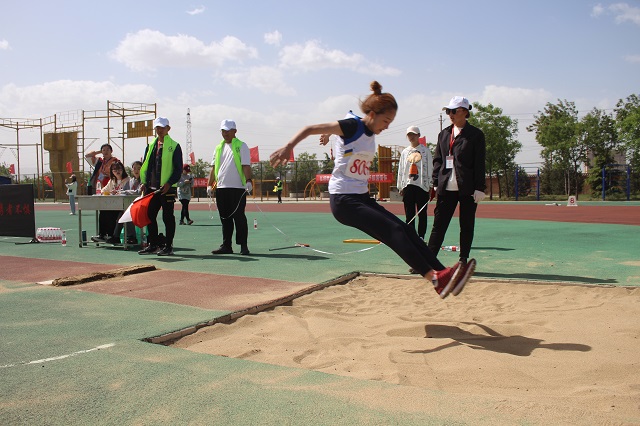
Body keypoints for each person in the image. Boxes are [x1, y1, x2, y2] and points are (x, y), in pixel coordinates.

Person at [270, 81, 475, 299]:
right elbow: (310, 128)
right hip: (344, 201)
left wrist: (331, 136)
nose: (386, 126)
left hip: (361, 197)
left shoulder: (366, 129)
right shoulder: (352, 125)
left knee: (406, 230)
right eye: (386, 121)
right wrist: (289, 147)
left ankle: (443, 274)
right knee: (393, 232)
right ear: (372, 114)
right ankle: (435, 278)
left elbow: (345, 137)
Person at [427, 96, 486, 267]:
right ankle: (428, 261)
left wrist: (479, 187)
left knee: (466, 225)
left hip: (467, 188)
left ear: (465, 112)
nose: (450, 114)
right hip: (446, 187)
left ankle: (463, 260)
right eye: (448, 111)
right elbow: (438, 160)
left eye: (453, 111)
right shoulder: (444, 134)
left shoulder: (476, 135)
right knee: (439, 225)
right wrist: (436, 182)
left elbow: (479, 163)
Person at [138, 117, 183, 256]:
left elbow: (178, 169)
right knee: (150, 215)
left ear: (168, 128)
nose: (159, 130)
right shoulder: (150, 145)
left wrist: (169, 183)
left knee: (167, 217)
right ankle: (153, 244)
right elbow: (146, 165)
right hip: (152, 188)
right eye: (157, 127)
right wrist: (144, 182)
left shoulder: (174, 145)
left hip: (167, 188)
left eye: (162, 127)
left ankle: (168, 246)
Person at [207, 119, 253, 256]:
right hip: (221, 188)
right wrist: (210, 184)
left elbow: (246, 165)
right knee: (225, 218)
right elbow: (213, 167)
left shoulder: (241, 146)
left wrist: (249, 181)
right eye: (223, 130)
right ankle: (226, 245)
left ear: (235, 131)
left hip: (238, 188)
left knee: (239, 217)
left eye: (228, 130)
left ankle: (243, 246)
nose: (225, 133)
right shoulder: (218, 147)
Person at [397, 126, 433, 241]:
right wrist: (400, 186)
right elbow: (401, 170)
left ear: (418, 135)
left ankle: (421, 236)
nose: (411, 137)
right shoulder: (405, 152)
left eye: (413, 134)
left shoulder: (425, 151)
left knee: (422, 213)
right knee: (409, 213)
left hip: (422, 185)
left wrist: (430, 185)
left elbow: (430, 168)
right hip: (408, 185)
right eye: (409, 135)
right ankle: (411, 236)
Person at [85, 144, 119, 242]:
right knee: (102, 212)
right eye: (103, 150)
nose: (106, 151)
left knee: (111, 213)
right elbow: (87, 156)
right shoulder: (99, 162)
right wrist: (99, 152)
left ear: (111, 151)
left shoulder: (115, 161)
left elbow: (119, 173)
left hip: (112, 190)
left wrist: (108, 174)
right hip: (102, 191)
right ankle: (102, 234)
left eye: (108, 149)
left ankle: (111, 234)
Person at [110, 160, 143, 245]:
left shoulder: (144, 181)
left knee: (128, 212)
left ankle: (131, 237)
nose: (136, 171)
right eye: (134, 168)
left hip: (141, 205)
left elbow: (138, 192)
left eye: (139, 168)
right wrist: (117, 192)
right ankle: (116, 236)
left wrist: (124, 192)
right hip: (130, 205)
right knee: (123, 212)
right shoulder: (130, 181)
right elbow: (123, 190)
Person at [102, 161, 130, 245]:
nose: (117, 172)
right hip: (114, 205)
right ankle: (103, 234)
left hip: (125, 206)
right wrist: (111, 192)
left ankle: (115, 236)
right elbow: (104, 190)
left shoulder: (127, 180)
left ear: (123, 170)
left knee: (119, 215)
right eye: (114, 170)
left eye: (119, 169)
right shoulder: (112, 181)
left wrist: (118, 192)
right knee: (103, 212)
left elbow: (128, 191)